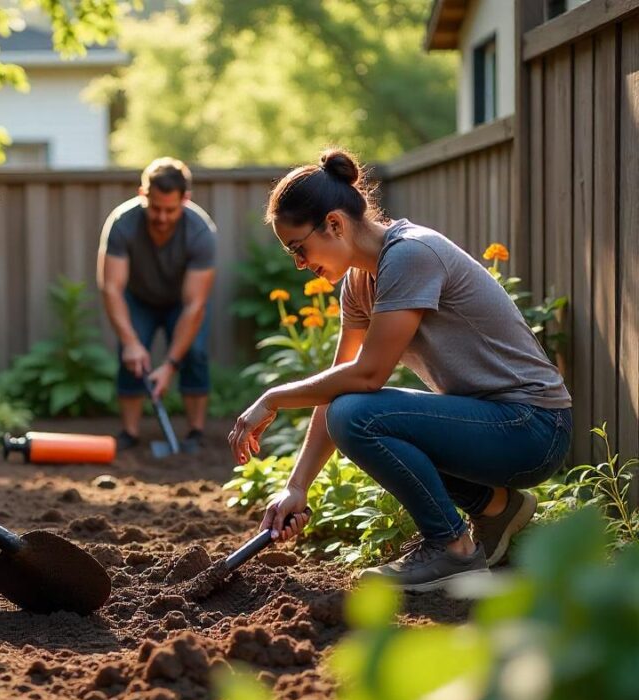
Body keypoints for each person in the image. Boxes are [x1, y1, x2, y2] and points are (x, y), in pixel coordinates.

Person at [229, 149, 572, 592]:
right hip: (497, 422)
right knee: (349, 410)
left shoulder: (411, 254)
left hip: (534, 426)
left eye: (299, 249)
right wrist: (298, 486)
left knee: (356, 414)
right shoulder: (359, 281)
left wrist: (273, 397)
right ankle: (495, 507)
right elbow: (341, 381)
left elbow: (368, 377)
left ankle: (451, 549)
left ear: (334, 224)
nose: (299, 263)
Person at [97, 157, 218, 451]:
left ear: (185, 200)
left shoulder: (201, 231)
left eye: (171, 210)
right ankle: (130, 432)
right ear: (143, 194)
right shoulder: (122, 223)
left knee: (196, 353)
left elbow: (195, 305)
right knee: (131, 358)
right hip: (138, 298)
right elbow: (111, 287)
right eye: (155, 208)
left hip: (182, 302)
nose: (162, 217)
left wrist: (170, 365)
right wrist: (130, 342)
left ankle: (195, 432)